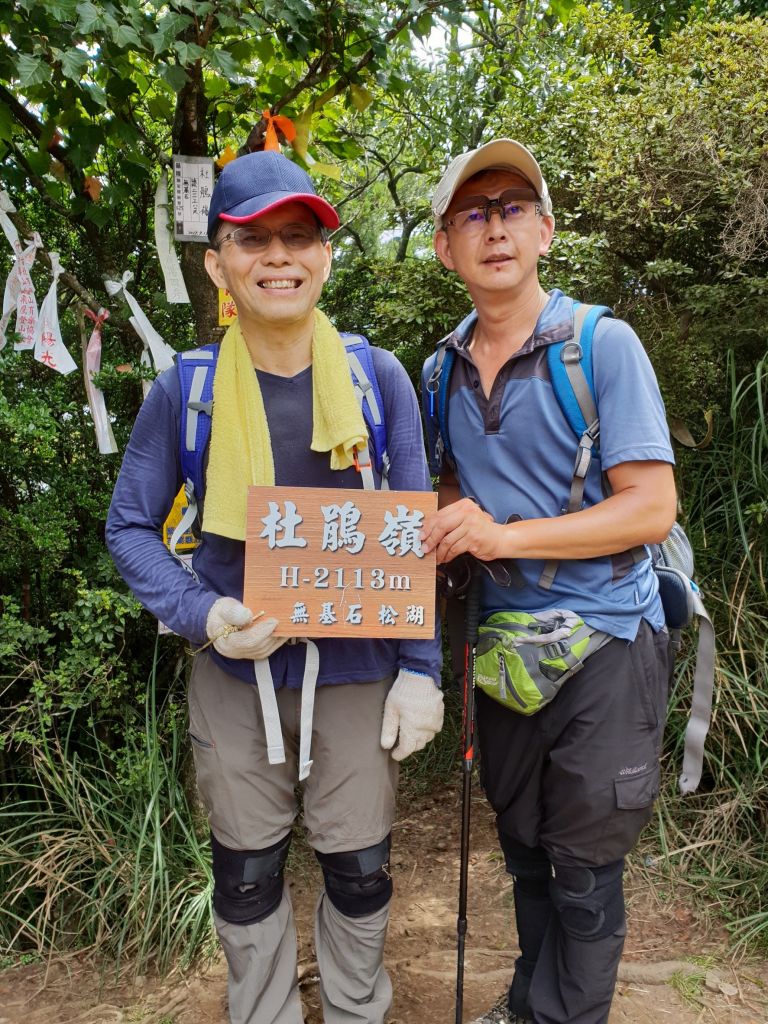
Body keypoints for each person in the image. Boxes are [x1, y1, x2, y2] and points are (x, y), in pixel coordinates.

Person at [106, 149, 444, 1024]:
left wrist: (422, 667)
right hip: (235, 671)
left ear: (328, 255)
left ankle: (356, 1008)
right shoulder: (189, 389)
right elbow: (129, 529)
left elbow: (408, 529)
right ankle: (263, 1013)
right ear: (218, 262)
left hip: (360, 669)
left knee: (360, 866)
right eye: (254, 238)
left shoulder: (379, 382)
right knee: (247, 873)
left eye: (300, 236)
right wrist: (204, 614)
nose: (279, 256)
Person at [419, 139, 677, 1024]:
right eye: (473, 215)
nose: (495, 228)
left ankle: (570, 1014)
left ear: (546, 231)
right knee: (524, 844)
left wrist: (502, 533)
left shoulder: (601, 346)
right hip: (504, 647)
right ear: (446, 246)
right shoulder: (439, 371)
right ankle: (533, 1002)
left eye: (513, 208)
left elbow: (651, 508)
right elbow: (454, 497)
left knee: (583, 861)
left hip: (606, 638)